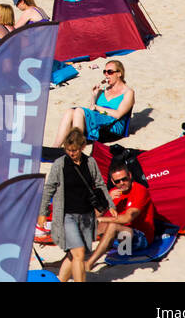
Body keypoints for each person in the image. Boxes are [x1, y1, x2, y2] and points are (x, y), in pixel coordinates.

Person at [39, 130, 111, 282]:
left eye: (74, 150)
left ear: (83, 146)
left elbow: (99, 184)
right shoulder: (60, 165)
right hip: (66, 215)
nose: (71, 153)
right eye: (68, 150)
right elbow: (49, 189)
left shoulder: (90, 162)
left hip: (86, 215)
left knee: (73, 254)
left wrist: (109, 205)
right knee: (79, 253)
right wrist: (43, 212)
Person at [85, 161, 157, 271]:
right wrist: (106, 200)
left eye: (124, 179)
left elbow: (128, 218)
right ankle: (71, 257)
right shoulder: (114, 192)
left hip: (140, 238)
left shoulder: (140, 190)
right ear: (113, 182)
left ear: (130, 176)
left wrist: (100, 219)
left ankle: (89, 263)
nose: (122, 183)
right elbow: (94, 215)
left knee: (112, 225)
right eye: (118, 181)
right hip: (121, 238)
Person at [54, 59, 135, 146]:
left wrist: (97, 107)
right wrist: (94, 95)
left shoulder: (128, 92)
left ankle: (76, 146)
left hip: (112, 127)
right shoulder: (103, 90)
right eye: (105, 72)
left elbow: (118, 114)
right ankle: (55, 147)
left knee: (79, 111)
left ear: (119, 74)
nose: (106, 74)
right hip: (98, 122)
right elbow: (91, 110)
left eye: (110, 72)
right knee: (70, 111)